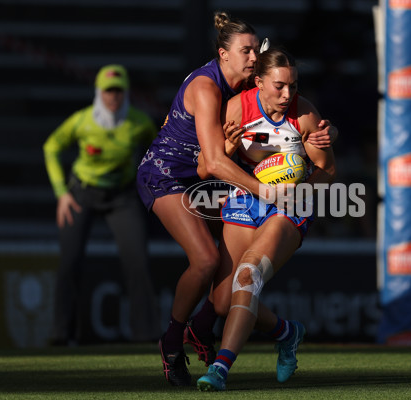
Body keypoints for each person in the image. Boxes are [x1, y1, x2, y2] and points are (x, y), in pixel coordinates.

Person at [136, 12, 337, 387]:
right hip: (168, 174)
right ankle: (174, 341)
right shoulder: (210, 89)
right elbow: (211, 162)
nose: (252, 56)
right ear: (222, 54)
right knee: (207, 260)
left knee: (229, 294)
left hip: (215, 179)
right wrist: (269, 192)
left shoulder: (247, 89)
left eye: (255, 49)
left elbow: (303, 125)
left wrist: (329, 132)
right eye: (245, 50)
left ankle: (234, 328)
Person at [195, 46, 336, 391]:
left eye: (293, 85)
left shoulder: (304, 115)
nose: (288, 94)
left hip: (291, 204)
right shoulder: (235, 109)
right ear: (258, 82)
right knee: (225, 301)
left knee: (250, 271)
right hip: (247, 196)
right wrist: (227, 150)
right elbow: (203, 168)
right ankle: (287, 333)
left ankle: (220, 368)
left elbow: (328, 170)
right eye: (279, 86)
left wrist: (299, 191)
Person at [43, 64, 160, 345]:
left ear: (126, 92)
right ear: (98, 92)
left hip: (122, 196)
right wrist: (62, 193)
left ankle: (146, 335)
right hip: (81, 194)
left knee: (138, 262)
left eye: (118, 90)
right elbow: (51, 148)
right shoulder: (82, 121)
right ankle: (61, 335)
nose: (113, 97)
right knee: (69, 262)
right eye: (108, 91)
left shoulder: (139, 122)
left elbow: (157, 150)